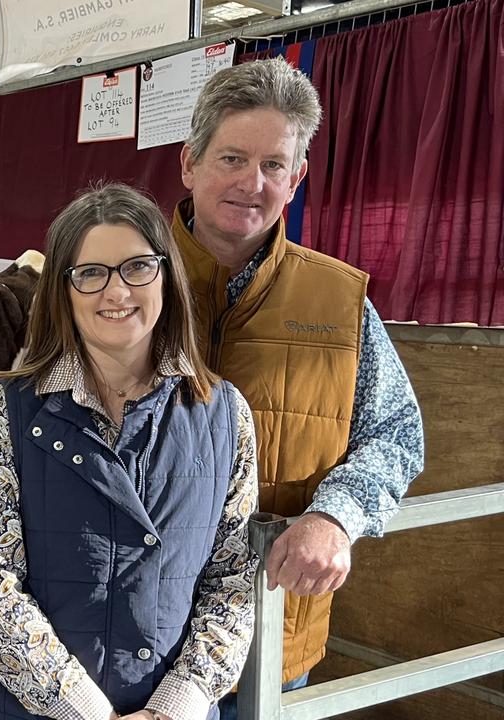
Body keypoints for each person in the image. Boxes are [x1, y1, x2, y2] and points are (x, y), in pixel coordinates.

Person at [171, 59, 425, 718]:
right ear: (189, 163)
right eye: (231, 157)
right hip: (130, 639)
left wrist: (336, 515)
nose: (251, 184)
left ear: (297, 179)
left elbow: (397, 437)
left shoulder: (339, 301)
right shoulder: (112, 283)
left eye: (274, 165)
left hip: (268, 640)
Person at [0, 183, 259, 720]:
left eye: (137, 266)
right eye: (91, 273)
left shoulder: (224, 415)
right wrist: (84, 710)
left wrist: (175, 705)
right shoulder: (9, 412)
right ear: (63, 290)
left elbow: (233, 581)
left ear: (166, 275)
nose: (116, 292)